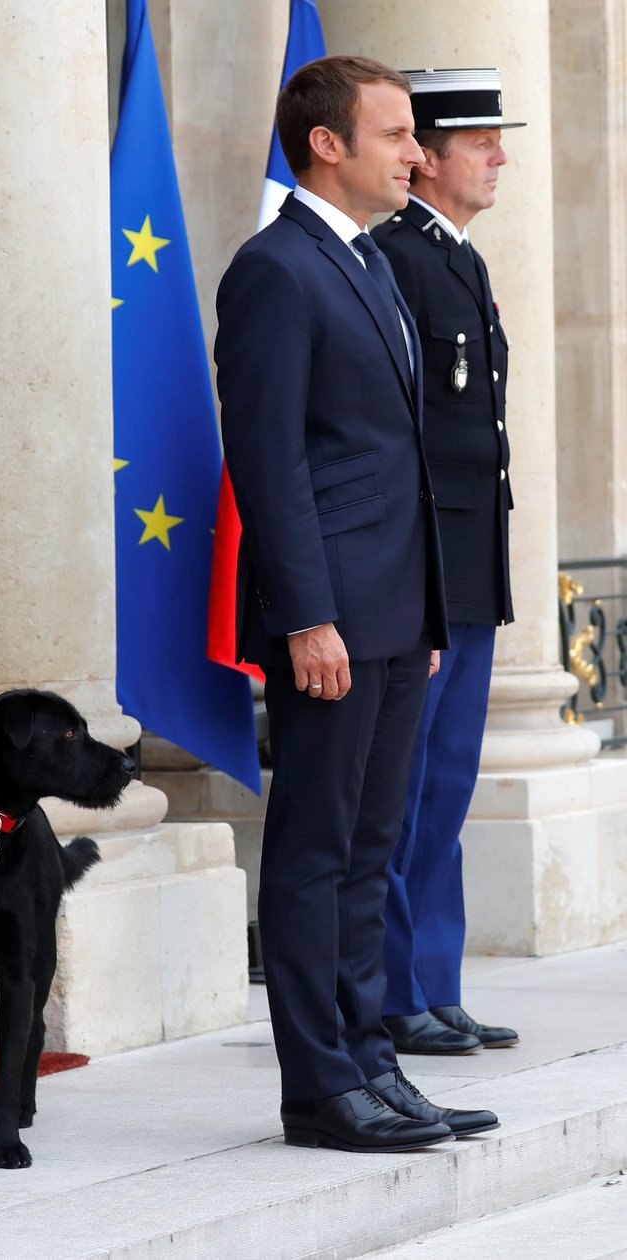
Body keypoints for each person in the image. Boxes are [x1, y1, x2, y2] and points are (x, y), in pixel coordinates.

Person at [215, 55, 499, 1153]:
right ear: (327, 143)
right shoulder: (276, 270)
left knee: (372, 846)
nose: (416, 156)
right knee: (315, 849)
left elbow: (398, 456)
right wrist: (306, 616)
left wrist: (424, 616)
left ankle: (374, 1062)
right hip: (329, 615)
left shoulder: (373, 266)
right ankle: (319, 1085)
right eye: (395, 137)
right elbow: (269, 458)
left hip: (394, 613)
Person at [372, 68, 523, 1056]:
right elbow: (399, 439)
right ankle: (394, 993)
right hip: (426, 569)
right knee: (401, 786)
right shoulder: (398, 258)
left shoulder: (455, 258)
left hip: (469, 564)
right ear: (425, 153)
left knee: (450, 781)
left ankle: (437, 977)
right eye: (481, 140)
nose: (500, 155)